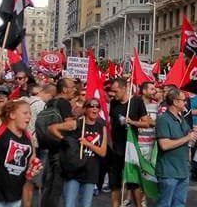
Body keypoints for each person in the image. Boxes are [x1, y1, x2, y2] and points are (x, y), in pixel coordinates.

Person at [0, 57, 42, 206]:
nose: (29, 116)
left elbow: (31, 166)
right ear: (11, 114)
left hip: (13, 200)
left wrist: (33, 170)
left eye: (30, 113)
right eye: (25, 113)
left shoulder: (28, 138)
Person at [155, 88, 197, 207]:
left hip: (183, 170)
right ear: (175, 102)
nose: (185, 103)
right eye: (183, 100)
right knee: (165, 204)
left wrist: (193, 132)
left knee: (179, 204)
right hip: (169, 172)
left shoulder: (181, 118)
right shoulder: (163, 119)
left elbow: (187, 139)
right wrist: (187, 138)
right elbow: (164, 145)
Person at [61, 98, 107, 207]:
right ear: (85, 109)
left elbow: (103, 152)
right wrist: (67, 142)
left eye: (97, 106)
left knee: (86, 205)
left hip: (91, 172)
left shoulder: (102, 127)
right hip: (74, 171)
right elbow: (54, 130)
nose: (95, 108)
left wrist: (88, 144)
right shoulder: (76, 124)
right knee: (69, 204)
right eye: (91, 106)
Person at [107, 78, 144, 207]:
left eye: (115, 91)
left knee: (133, 183)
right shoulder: (113, 103)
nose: (113, 94)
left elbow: (146, 122)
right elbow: (111, 124)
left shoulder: (137, 102)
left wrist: (132, 122)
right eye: (112, 91)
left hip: (129, 147)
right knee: (115, 184)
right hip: (116, 148)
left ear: (124, 89)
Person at [41, 78, 77, 207]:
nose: (75, 89)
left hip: (50, 146)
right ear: (65, 89)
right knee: (56, 185)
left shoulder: (51, 102)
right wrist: (76, 120)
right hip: (60, 148)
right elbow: (69, 124)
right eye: (72, 87)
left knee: (48, 184)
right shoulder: (63, 103)